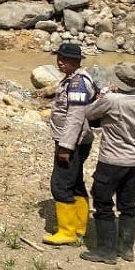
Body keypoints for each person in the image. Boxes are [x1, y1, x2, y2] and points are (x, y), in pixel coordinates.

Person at [80, 62, 135, 264]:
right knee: (128, 205)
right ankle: (126, 249)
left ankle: (105, 251)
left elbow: (89, 113)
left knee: (102, 202)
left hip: (112, 159)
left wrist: (102, 95)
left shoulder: (112, 99)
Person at [43, 43, 97, 246]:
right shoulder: (75, 79)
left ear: (77, 61)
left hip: (72, 142)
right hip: (77, 140)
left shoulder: (77, 84)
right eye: (59, 57)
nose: (60, 61)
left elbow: (75, 117)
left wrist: (66, 147)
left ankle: (67, 232)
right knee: (75, 182)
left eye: (64, 59)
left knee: (60, 184)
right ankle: (79, 227)